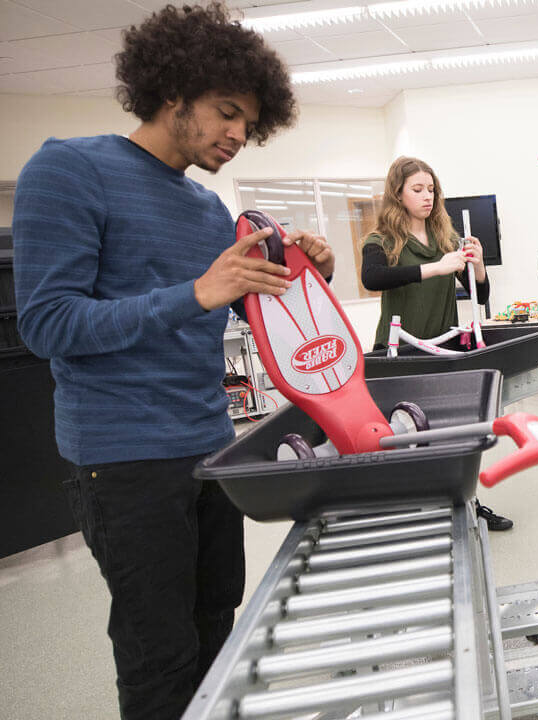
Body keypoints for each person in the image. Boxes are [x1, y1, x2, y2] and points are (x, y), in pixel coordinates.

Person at [11, 5, 330, 719]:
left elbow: (238, 311)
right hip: (122, 462)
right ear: (173, 90)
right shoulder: (68, 169)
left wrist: (305, 275)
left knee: (219, 626)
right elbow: (47, 322)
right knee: (160, 653)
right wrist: (195, 291)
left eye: (249, 123)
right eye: (226, 112)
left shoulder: (206, 207)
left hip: (211, 449)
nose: (238, 135)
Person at [360, 156, 512, 532]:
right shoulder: (382, 240)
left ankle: (467, 504)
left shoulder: (447, 239)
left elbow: (481, 291)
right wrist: (436, 268)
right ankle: (409, 511)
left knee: (454, 434)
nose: (427, 197)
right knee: (406, 435)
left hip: (443, 348)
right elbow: (373, 278)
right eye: (417, 189)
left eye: (431, 189)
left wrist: (476, 265)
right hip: (398, 351)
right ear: (398, 193)